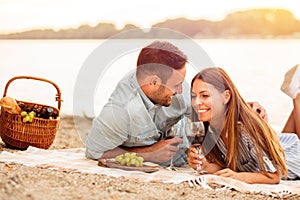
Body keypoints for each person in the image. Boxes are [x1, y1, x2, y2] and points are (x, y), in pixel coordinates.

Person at [85, 40, 268, 167]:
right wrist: (148, 153)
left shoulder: (175, 82)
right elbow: (94, 152)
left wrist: (243, 108)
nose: (182, 91)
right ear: (154, 82)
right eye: (176, 85)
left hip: (196, 156)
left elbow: (207, 108)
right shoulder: (119, 112)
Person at [187, 66, 300, 184]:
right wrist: (205, 165)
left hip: (294, 157)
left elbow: (274, 176)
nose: (196, 102)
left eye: (205, 95)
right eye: (194, 96)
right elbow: (232, 167)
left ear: (226, 97)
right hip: (279, 146)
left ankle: (297, 97)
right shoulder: (210, 130)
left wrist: (238, 177)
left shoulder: (244, 130)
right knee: (281, 141)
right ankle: (296, 95)